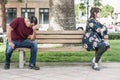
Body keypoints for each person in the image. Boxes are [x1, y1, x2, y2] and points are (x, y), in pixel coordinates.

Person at [82, 7, 110, 71]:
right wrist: (102, 29)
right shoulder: (90, 21)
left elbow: (104, 27)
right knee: (103, 45)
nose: (100, 14)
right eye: (99, 12)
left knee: (106, 45)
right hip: (89, 40)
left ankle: (94, 60)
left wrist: (102, 29)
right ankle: (95, 63)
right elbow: (98, 29)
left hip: (96, 39)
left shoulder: (96, 21)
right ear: (95, 13)